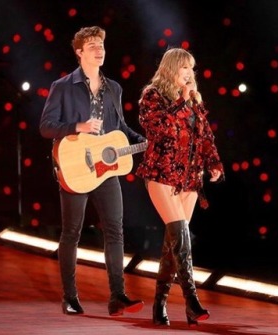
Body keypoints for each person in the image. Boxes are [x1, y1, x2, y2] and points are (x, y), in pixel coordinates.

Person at [39, 26, 146, 316]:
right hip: (75, 166)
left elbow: (119, 128)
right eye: (92, 46)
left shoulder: (114, 88)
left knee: (115, 230)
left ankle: (117, 296)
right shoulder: (62, 86)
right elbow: (46, 127)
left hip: (106, 168)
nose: (99, 49)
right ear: (79, 53)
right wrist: (78, 127)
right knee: (72, 232)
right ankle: (70, 297)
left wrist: (143, 141)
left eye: (101, 45)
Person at [135, 47, 225, 327]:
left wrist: (214, 163)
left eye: (191, 68)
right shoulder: (153, 96)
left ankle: (160, 303)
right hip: (162, 175)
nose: (189, 73)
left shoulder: (194, 101)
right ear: (171, 68)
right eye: (184, 67)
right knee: (180, 236)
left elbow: (205, 135)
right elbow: (158, 129)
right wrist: (179, 102)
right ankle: (192, 302)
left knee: (174, 244)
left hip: (189, 179)